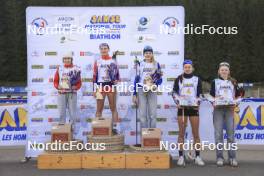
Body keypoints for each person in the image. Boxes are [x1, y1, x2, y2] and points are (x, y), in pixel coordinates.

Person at [210, 62, 243, 167]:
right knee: (218, 135)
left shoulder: (233, 82)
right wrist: (213, 102)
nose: (224, 71)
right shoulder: (214, 82)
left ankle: (232, 157)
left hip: (229, 110)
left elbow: (240, 95)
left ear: (229, 72)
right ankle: (219, 157)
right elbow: (211, 96)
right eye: (222, 70)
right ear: (219, 71)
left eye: (226, 70)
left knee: (231, 135)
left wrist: (236, 103)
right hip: (218, 110)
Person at [172, 59, 205, 166]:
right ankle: (181, 156)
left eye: (189, 67)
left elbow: (200, 94)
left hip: (193, 108)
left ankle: (198, 156)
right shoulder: (179, 79)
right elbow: (174, 92)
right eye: (185, 67)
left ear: (192, 68)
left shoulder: (197, 79)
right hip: (182, 108)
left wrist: (198, 103)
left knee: (196, 134)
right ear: (183, 68)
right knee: (181, 133)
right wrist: (177, 102)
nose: (187, 68)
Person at [133, 46, 162, 129]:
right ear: (143, 54)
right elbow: (136, 79)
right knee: (142, 115)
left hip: (152, 89)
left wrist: (154, 85)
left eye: (149, 53)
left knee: (153, 115)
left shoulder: (156, 64)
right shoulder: (140, 64)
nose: (148, 54)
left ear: (152, 54)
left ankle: (152, 136)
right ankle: (144, 137)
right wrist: (134, 94)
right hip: (141, 89)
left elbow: (160, 79)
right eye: (146, 53)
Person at [93, 43, 120, 128]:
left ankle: (116, 128)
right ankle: (97, 128)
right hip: (100, 87)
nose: (103, 50)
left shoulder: (113, 61)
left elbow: (117, 74)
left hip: (110, 86)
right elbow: (94, 76)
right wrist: (94, 89)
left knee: (113, 108)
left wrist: (116, 80)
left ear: (108, 49)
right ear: (100, 50)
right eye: (102, 49)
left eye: (105, 48)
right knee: (99, 109)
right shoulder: (97, 61)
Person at [53, 52, 82, 131]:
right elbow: (55, 81)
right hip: (61, 93)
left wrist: (75, 87)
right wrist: (57, 86)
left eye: (68, 58)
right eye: (65, 59)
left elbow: (79, 83)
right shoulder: (60, 68)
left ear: (71, 59)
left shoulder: (76, 68)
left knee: (72, 113)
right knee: (61, 112)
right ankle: (62, 131)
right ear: (63, 60)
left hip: (72, 93)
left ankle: (72, 131)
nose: (67, 60)